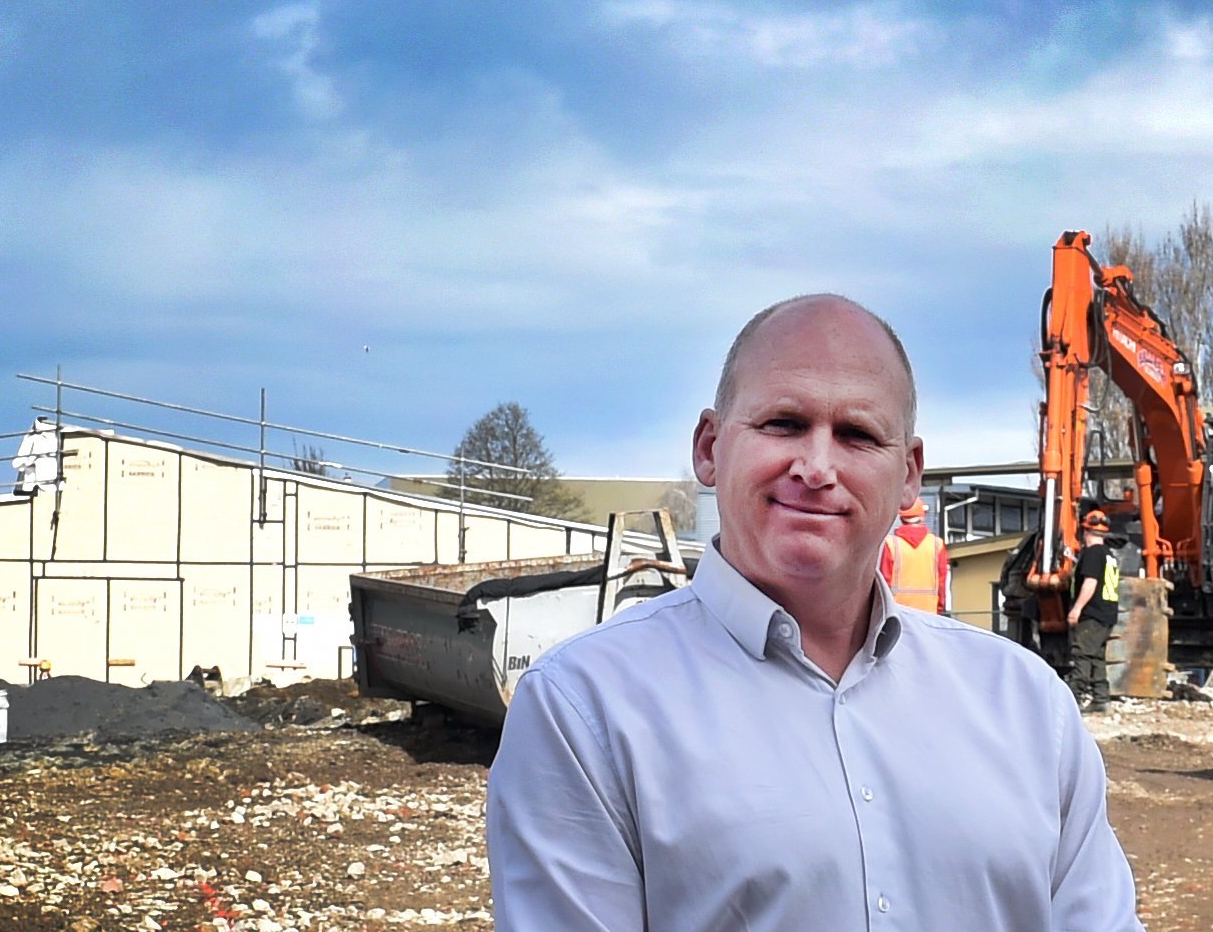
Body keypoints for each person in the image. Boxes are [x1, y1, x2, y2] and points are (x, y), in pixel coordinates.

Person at [485, 294, 1139, 931]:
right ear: (710, 447)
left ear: (908, 474)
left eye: (857, 434)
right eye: (783, 423)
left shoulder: (1030, 711)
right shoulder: (585, 711)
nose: (816, 466)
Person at [1066, 513, 1121, 712]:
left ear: (1085, 530)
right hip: (1107, 613)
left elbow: (1090, 582)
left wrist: (1077, 608)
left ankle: (1071, 701)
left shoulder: (1093, 554)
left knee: (1082, 654)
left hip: (1093, 613)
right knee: (1096, 657)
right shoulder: (1109, 554)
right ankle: (1101, 700)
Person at [876, 498, 949, 614]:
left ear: (901, 518)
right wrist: (940, 608)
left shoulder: (891, 544)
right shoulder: (937, 544)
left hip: (898, 611)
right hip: (929, 611)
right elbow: (942, 582)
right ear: (922, 516)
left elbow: (885, 580)